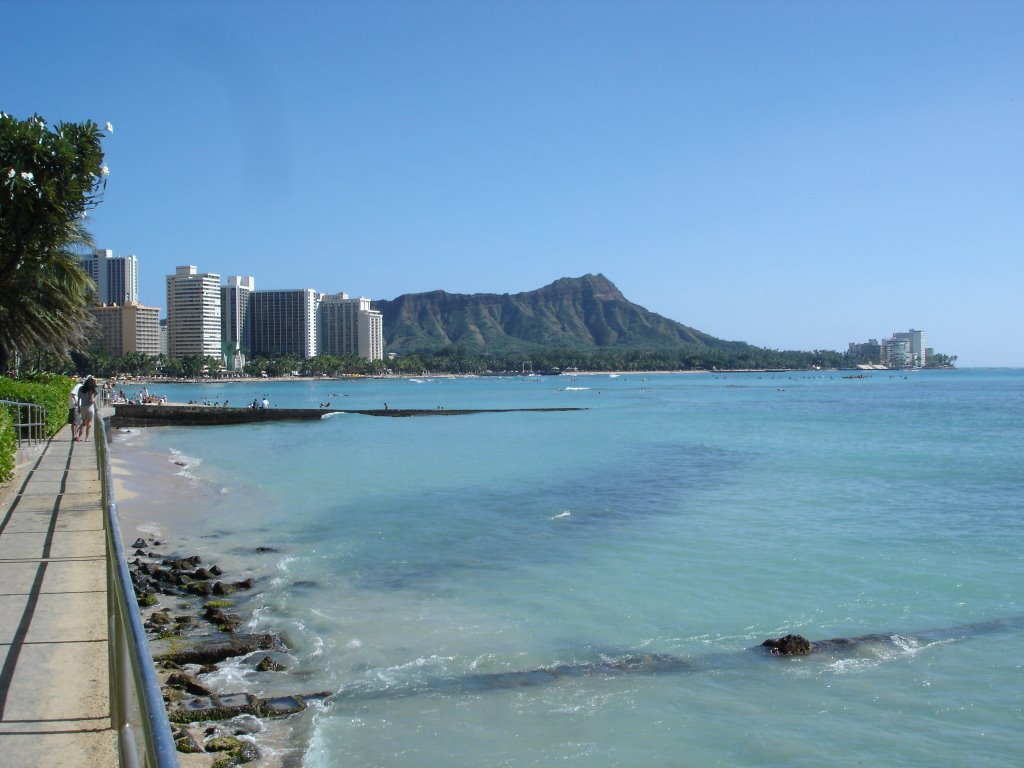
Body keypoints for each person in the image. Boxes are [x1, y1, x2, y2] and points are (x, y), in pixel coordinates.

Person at [77, 376, 98, 442]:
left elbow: (78, 399)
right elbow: (91, 400)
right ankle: (87, 438)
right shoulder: (91, 390)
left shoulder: (81, 389)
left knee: (84, 423)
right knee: (89, 424)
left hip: (83, 407)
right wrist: (94, 400)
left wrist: (78, 407)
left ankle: (79, 437)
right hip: (90, 407)